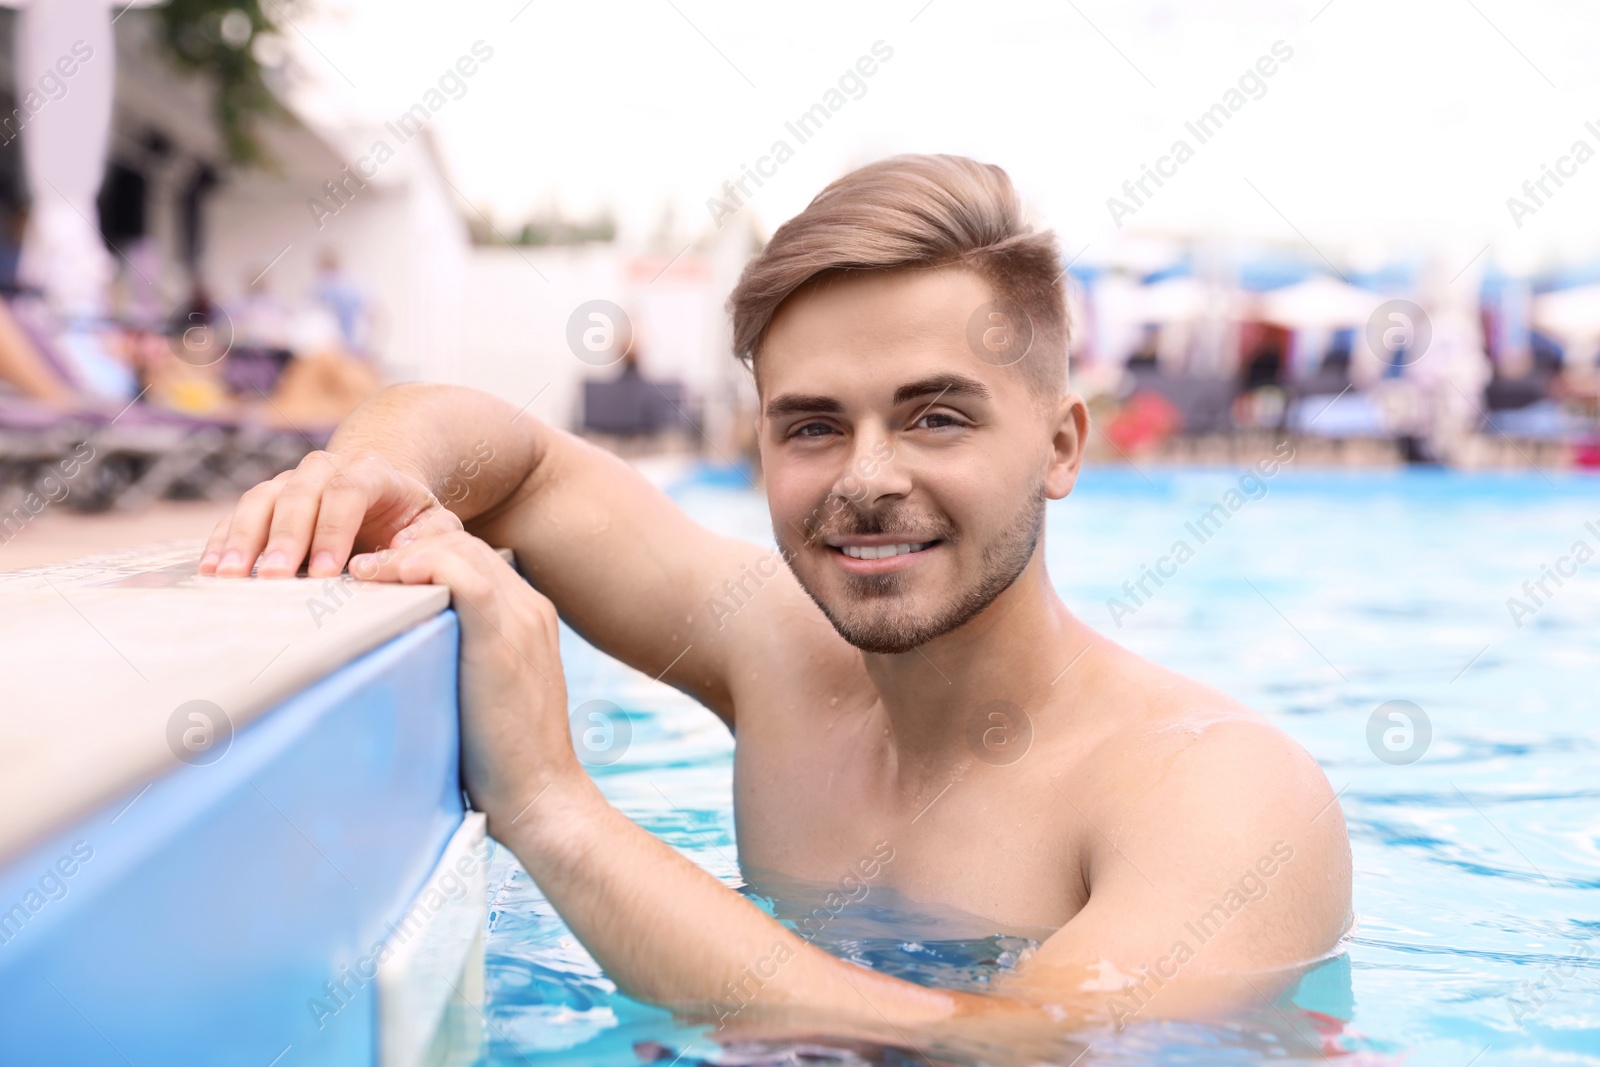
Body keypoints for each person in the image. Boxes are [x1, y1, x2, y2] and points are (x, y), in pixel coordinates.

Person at [198, 155, 1351, 1044]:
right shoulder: (779, 657)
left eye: (934, 415)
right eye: (812, 425)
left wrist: (555, 806)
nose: (863, 478)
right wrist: (361, 479)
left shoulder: (1222, 793)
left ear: (1058, 444)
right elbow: (516, 457)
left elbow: (1008, 1055)